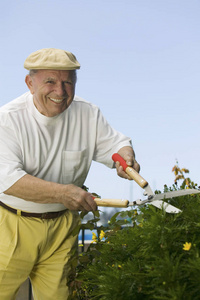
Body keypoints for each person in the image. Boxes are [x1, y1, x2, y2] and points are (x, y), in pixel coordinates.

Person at [0, 48, 140, 300]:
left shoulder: (88, 113)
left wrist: (125, 158)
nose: (60, 91)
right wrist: (63, 192)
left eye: (67, 82)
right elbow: (7, 179)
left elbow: (115, 146)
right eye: (50, 82)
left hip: (62, 227)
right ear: (30, 83)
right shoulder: (7, 119)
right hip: (11, 226)